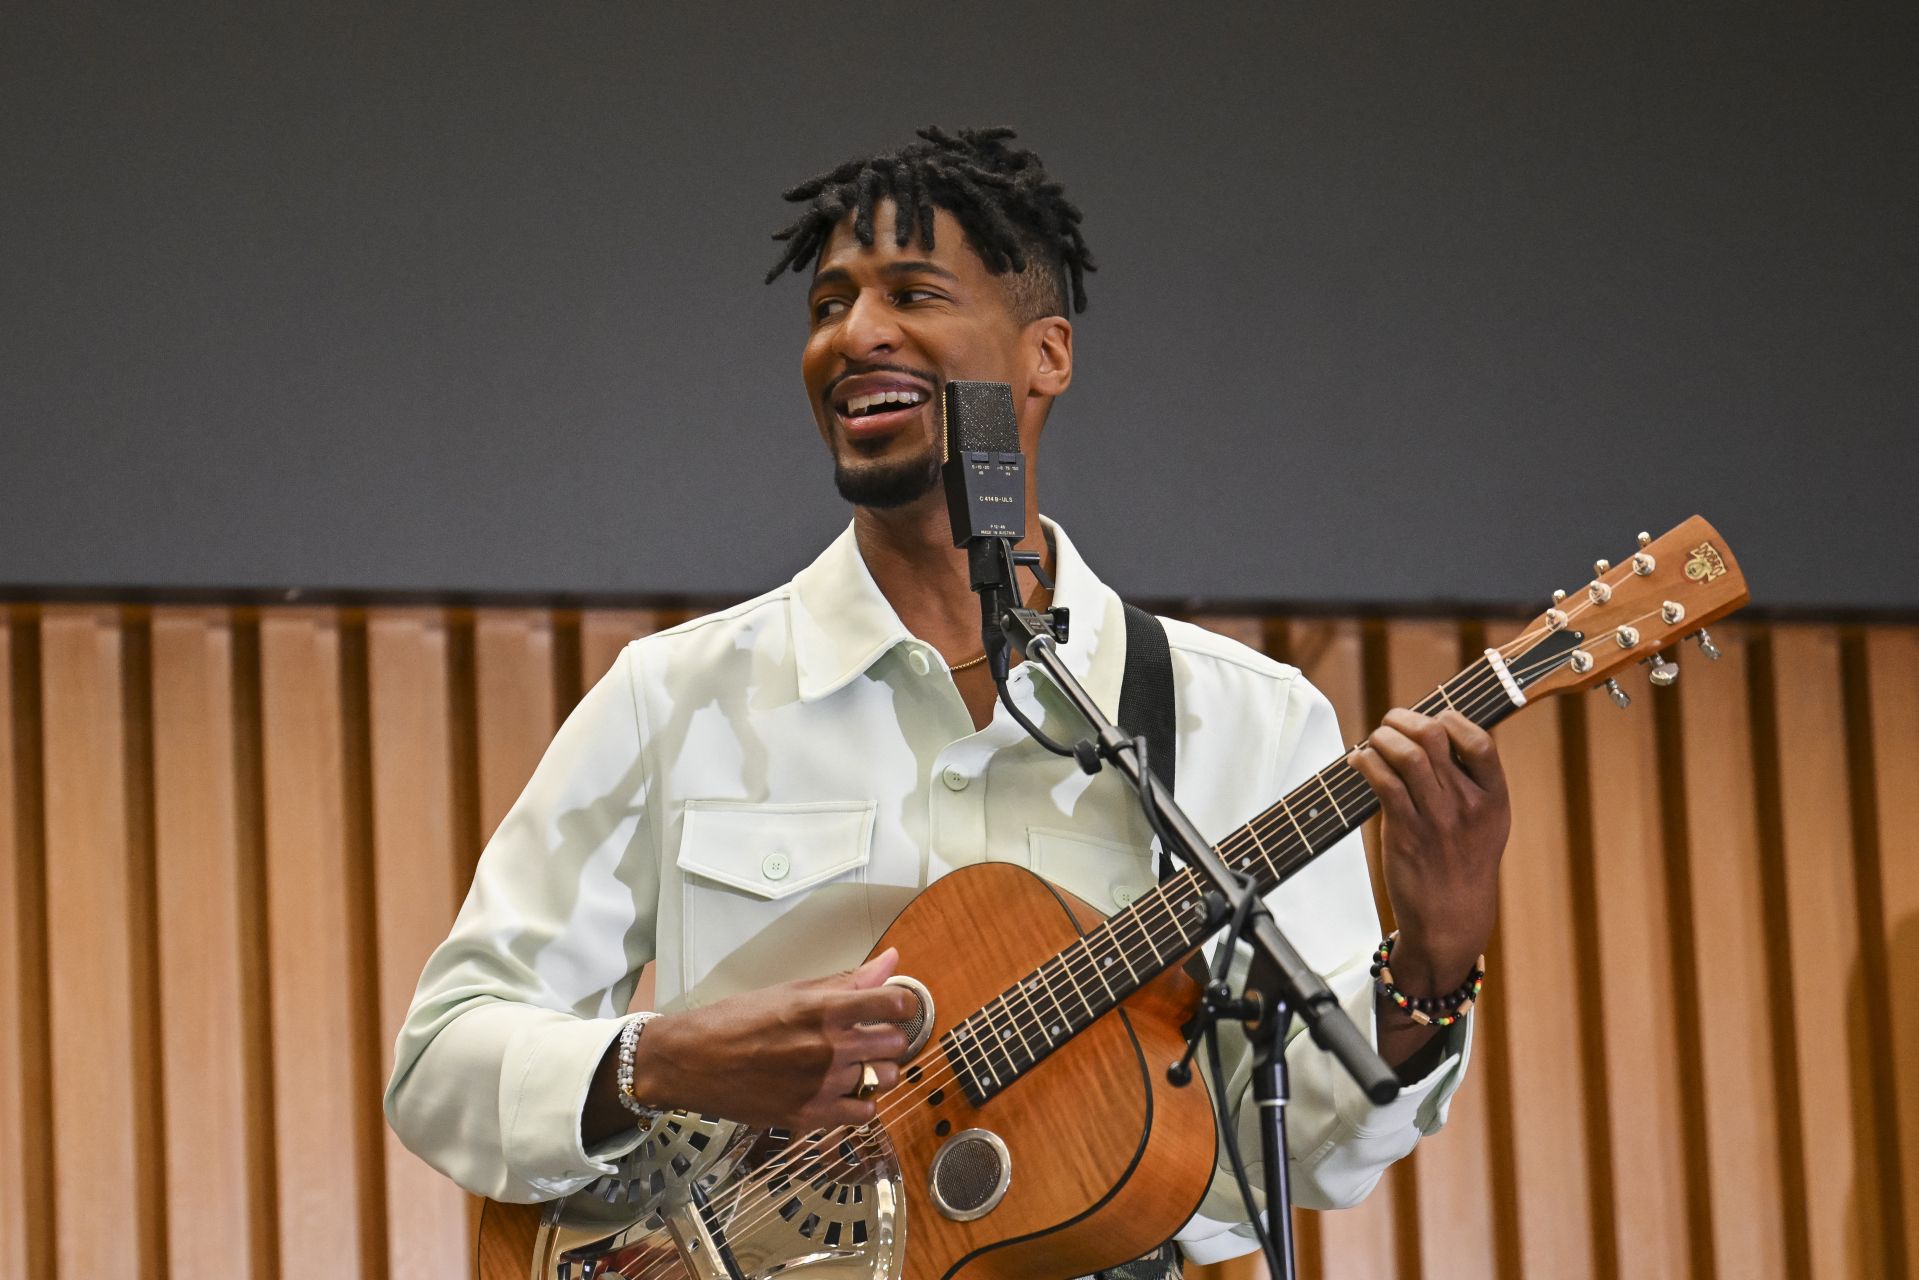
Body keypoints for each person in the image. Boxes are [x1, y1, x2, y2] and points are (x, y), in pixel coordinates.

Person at [385, 125, 1509, 1270]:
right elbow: (440, 1061)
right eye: (828, 304)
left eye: (912, 292)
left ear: (1045, 356)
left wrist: (1428, 964)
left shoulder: (1241, 720)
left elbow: (1313, 1157)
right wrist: (661, 1057)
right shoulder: (676, 697)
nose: (854, 334)